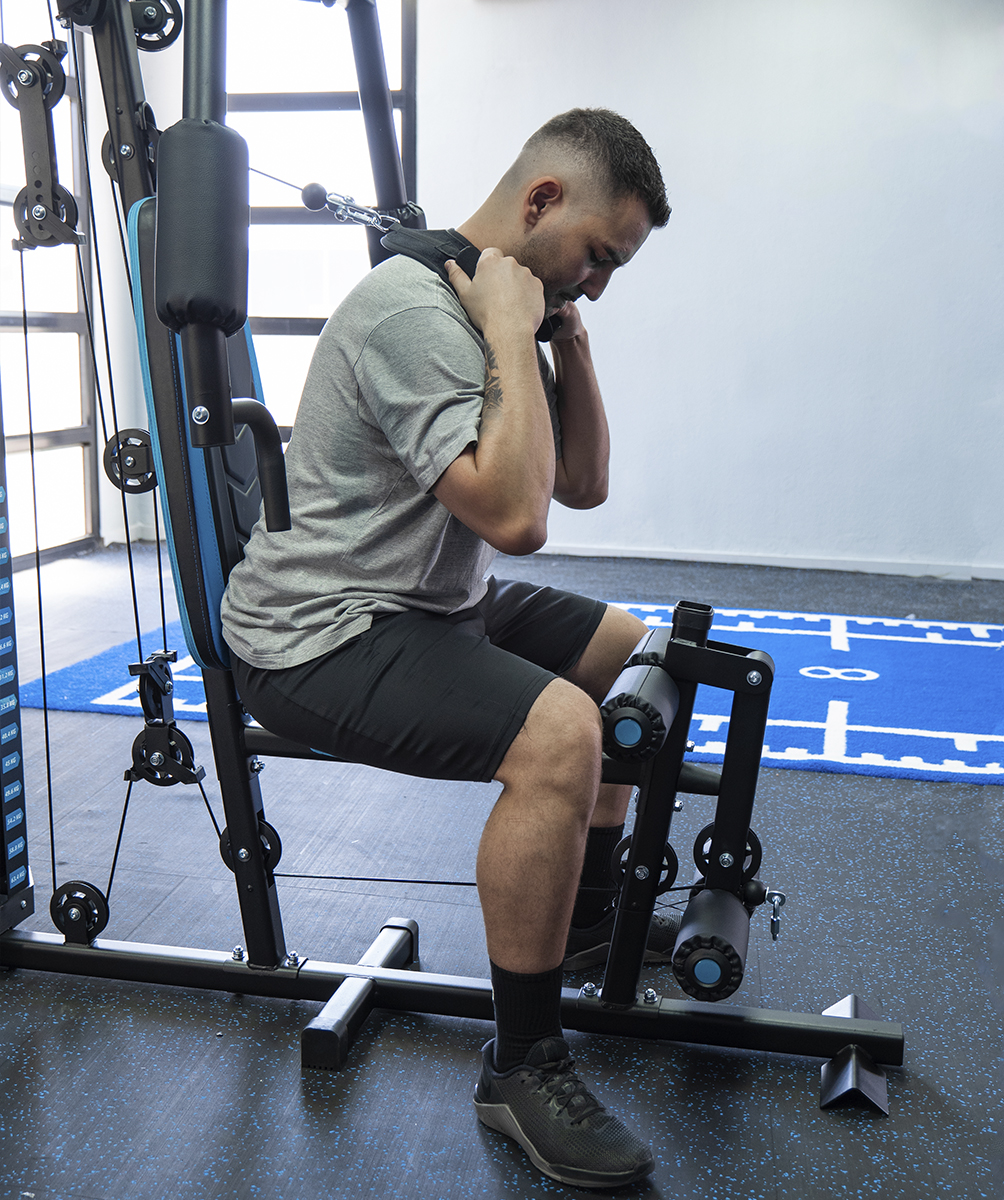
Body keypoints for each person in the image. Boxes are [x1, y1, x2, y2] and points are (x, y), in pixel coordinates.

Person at [220, 108, 671, 1189]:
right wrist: (513, 333)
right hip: (318, 631)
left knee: (633, 655)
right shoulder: (415, 312)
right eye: (599, 256)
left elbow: (583, 484)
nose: (600, 281)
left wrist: (565, 337)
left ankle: (586, 918)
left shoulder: (507, 304)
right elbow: (518, 519)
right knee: (562, 736)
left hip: (431, 602)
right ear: (541, 202)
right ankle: (522, 1066)